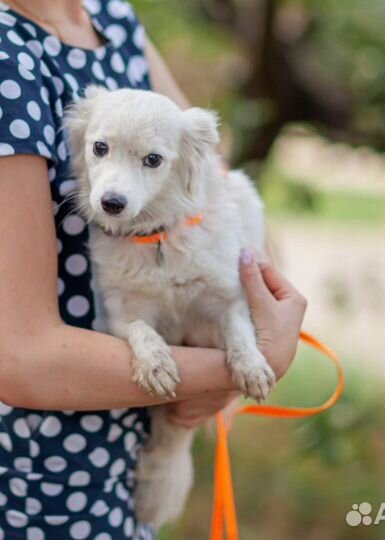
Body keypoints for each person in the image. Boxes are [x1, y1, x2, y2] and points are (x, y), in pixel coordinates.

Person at [0, 1, 307, 539]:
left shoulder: (110, 15)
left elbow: (210, 175)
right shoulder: (8, 56)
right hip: (48, 465)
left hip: (135, 429)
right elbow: (19, 357)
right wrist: (246, 363)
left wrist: (250, 303)